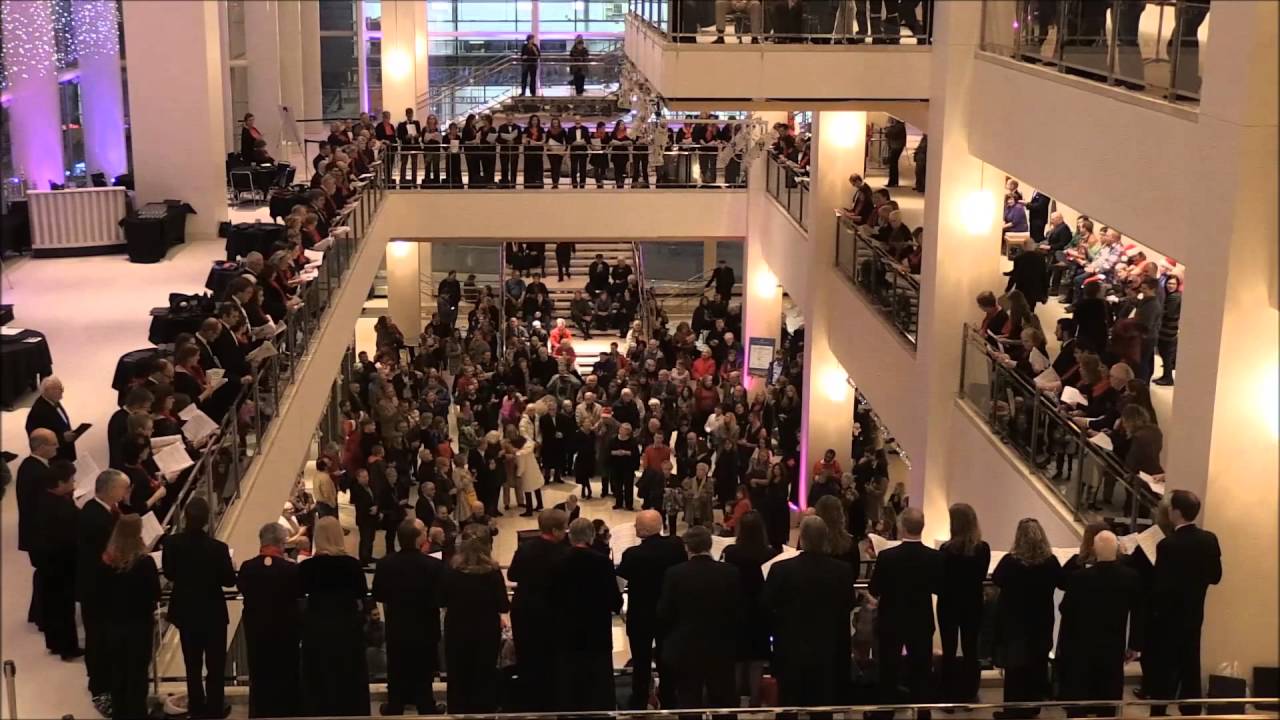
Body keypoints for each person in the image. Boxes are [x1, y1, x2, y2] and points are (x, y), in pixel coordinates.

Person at [765, 515, 857, 707]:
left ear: (801, 538)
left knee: (788, 704)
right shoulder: (842, 571)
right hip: (827, 648)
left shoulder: (781, 569)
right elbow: (848, 604)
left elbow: (767, 604)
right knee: (823, 704)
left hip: (789, 648)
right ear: (825, 539)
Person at [1148, 490, 1221, 717]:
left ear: (1176, 512)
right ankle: (1191, 708)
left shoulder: (1167, 545)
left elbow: (1160, 586)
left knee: (1165, 663)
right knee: (1191, 661)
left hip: (1168, 616)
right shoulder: (1209, 539)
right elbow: (1215, 577)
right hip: (1194, 612)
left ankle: (1159, 709)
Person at [164, 497, 238, 719]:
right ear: (207, 520)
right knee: (215, 665)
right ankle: (215, 708)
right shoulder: (218, 548)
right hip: (212, 612)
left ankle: (196, 706)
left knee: (192, 663)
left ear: (186, 517)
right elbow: (228, 581)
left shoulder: (171, 544)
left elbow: (169, 573)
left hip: (186, 610)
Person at [1058, 531, 1144, 718]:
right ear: (1117, 550)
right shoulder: (1131, 577)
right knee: (1108, 698)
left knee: (1080, 695)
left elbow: (1065, 609)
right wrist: (1135, 645)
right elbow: (1138, 612)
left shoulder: (1079, 578)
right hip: (1113, 645)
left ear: (1094, 550)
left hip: (1082, 645)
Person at [868, 507, 942, 719]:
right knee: (921, 670)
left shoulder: (887, 557)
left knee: (889, 671)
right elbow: (939, 587)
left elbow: (875, 589)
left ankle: (885, 713)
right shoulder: (933, 557)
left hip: (891, 620)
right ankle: (922, 713)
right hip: (921, 620)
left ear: (901, 526)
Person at [657, 525, 741, 708]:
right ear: (709, 545)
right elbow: (737, 609)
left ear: (687, 547)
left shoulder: (675, 573)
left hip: (686, 646)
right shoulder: (730, 572)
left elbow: (665, 611)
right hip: (721, 645)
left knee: (689, 699)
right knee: (723, 700)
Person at [616, 509, 688, 709]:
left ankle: (639, 699)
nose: (634, 527)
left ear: (644, 530)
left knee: (641, 661)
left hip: (641, 614)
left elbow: (621, 579)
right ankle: (669, 697)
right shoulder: (675, 546)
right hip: (668, 612)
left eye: (637, 524)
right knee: (667, 659)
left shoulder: (633, 554)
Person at [991, 518, 1062, 719]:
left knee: (1015, 670)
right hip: (1041, 623)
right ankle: (1033, 707)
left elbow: (997, 579)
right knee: (1037, 665)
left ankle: (1012, 711)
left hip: (1015, 624)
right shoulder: (1050, 562)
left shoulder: (1010, 562)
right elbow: (1062, 582)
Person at [300, 517, 371, 716]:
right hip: (347, 626)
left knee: (320, 674)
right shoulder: (352, 565)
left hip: (317, 626)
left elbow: (298, 592)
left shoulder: (307, 567)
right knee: (348, 673)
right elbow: (362, 593)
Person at [373, 519, 445, 715]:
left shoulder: (385, 563)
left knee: (396, 668)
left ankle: (395, 705)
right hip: (425, 625)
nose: (426, 533)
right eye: (423, 530)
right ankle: (426, 705)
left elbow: (378, 594)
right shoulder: (433, 565)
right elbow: (441, 597)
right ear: (417, 538)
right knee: (424, 669)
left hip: (398, 625)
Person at [552, 518, 624, 710]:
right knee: (598, 681)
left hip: (566, 630)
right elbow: (614, 600)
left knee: (569, 680)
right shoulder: (602, 562)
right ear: (592, 536)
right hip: (596, 630)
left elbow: (550, 595)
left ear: (570, 536)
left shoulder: (557, 560)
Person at [237, 522, 303, 719]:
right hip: (285, 633)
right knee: (286, 674)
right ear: (282, 544)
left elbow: (242, 588)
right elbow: (299, 593)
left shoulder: (248, 568)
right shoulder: (291, 570)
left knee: (259, 675)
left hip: (257, 632)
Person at [99, 514, 162, 720]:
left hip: (113, 626)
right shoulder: (144, 563)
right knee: (137, 676)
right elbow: (155, 593)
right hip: (138, 627)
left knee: (118, 674)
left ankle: (120, 713)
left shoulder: (107, 560)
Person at [508, 508, 570, 711]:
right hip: (551, 611)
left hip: (524, 609)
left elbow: (512, 575)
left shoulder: (526, 548)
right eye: (564, 528)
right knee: (551, 659)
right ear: (555, 530)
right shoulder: (564, 553)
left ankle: (529, 702)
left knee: (526, 656)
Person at [78, 469, 129, 716]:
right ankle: (100, 689)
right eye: (122, 488)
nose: (125, 493)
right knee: (98, 641)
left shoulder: (104, 510)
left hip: (105, 588)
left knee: (105, 640)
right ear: (110, 490)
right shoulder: (94, 518)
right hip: (97, 591)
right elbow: (105, 555)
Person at [937, 503, 991, 704]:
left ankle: (947, 692)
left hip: (949, 604)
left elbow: (940, 579)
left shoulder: (946, 550)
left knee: (949, 650)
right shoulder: (982, 549)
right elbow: (980, 575)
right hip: (972, 603)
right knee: (971, 650)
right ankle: (970, 692)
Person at [31, 460, 80, 660]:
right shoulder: (62, 508)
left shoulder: (42, 500)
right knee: (63, 607)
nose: (74, 483)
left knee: (52, 604)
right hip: (62, 563)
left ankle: (54, 642)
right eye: (71, 480)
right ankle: (68, 648)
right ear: (60, 483)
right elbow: (74, 533)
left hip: (46, 561)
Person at [17, 428, 57, 631]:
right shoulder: (39, 473)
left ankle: (38, 613)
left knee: (43, 574)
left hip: (34, 533)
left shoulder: (29, 465)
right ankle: (44, 617)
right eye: (53, 444)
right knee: (48, 574)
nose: (58, 447)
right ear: (41, 447)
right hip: (41, 535)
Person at [26, 376, 79, 461]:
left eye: (62, 387)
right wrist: (62, 438)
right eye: (59, 389)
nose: (62, 391)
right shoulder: (39, 412)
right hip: (56, 456)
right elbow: (37, 438)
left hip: (66, 447)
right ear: (48, 391)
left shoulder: (53, 400)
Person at [1153, 274, 1181, 386]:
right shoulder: (1171, 296)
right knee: (1165, 355)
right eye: (1169, 283)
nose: (1171, 286)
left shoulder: (1174, 297)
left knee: (1166, 355)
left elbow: (1169, 312)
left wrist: (1158, 312)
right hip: (1167, 330)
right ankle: (1166, 376)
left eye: (1173, 283)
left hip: (1168, 331)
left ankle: (1168, 378)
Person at [608, 421, 641, 509]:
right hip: (616, 466)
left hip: (628, 467)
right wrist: (616, 453)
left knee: (628, 487)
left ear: (628, 432)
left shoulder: (633, 442)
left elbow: (636, 454)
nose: (621, 431)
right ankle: (618, 503)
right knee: (617, 486)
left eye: (624, 430)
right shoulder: (613, 439)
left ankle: (629, 504)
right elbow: (608, 451)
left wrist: (626, 453)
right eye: (621, 429)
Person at [396, 108, 422, 187]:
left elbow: (420, 133)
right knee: (404, 163)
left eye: (411, 113)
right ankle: (402, 181)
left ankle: (414, 182)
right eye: (408, 113)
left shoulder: (417, 123)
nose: (410, 115)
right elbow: (399, 136)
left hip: (414, 146)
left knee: (414, 164)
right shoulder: (401, 125)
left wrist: (418, 135)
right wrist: (406, 137)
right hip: (406, 146)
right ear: (406, 114)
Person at [884, 117, 907, 187]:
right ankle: (894, 182)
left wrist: (888, 128)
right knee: (894, 164)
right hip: (896, 146)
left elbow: (889, 134)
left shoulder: (899, 127)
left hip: (896, 147)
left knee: (893, 164)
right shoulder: (899, 126)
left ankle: (892, 182)